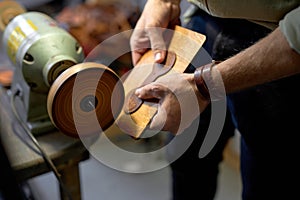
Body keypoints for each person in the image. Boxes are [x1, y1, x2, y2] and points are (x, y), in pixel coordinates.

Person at [130, 0, 300, 199]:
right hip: (204, 23)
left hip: (279, 48)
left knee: (267, 184)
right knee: (186, 161)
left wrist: (203, 86)